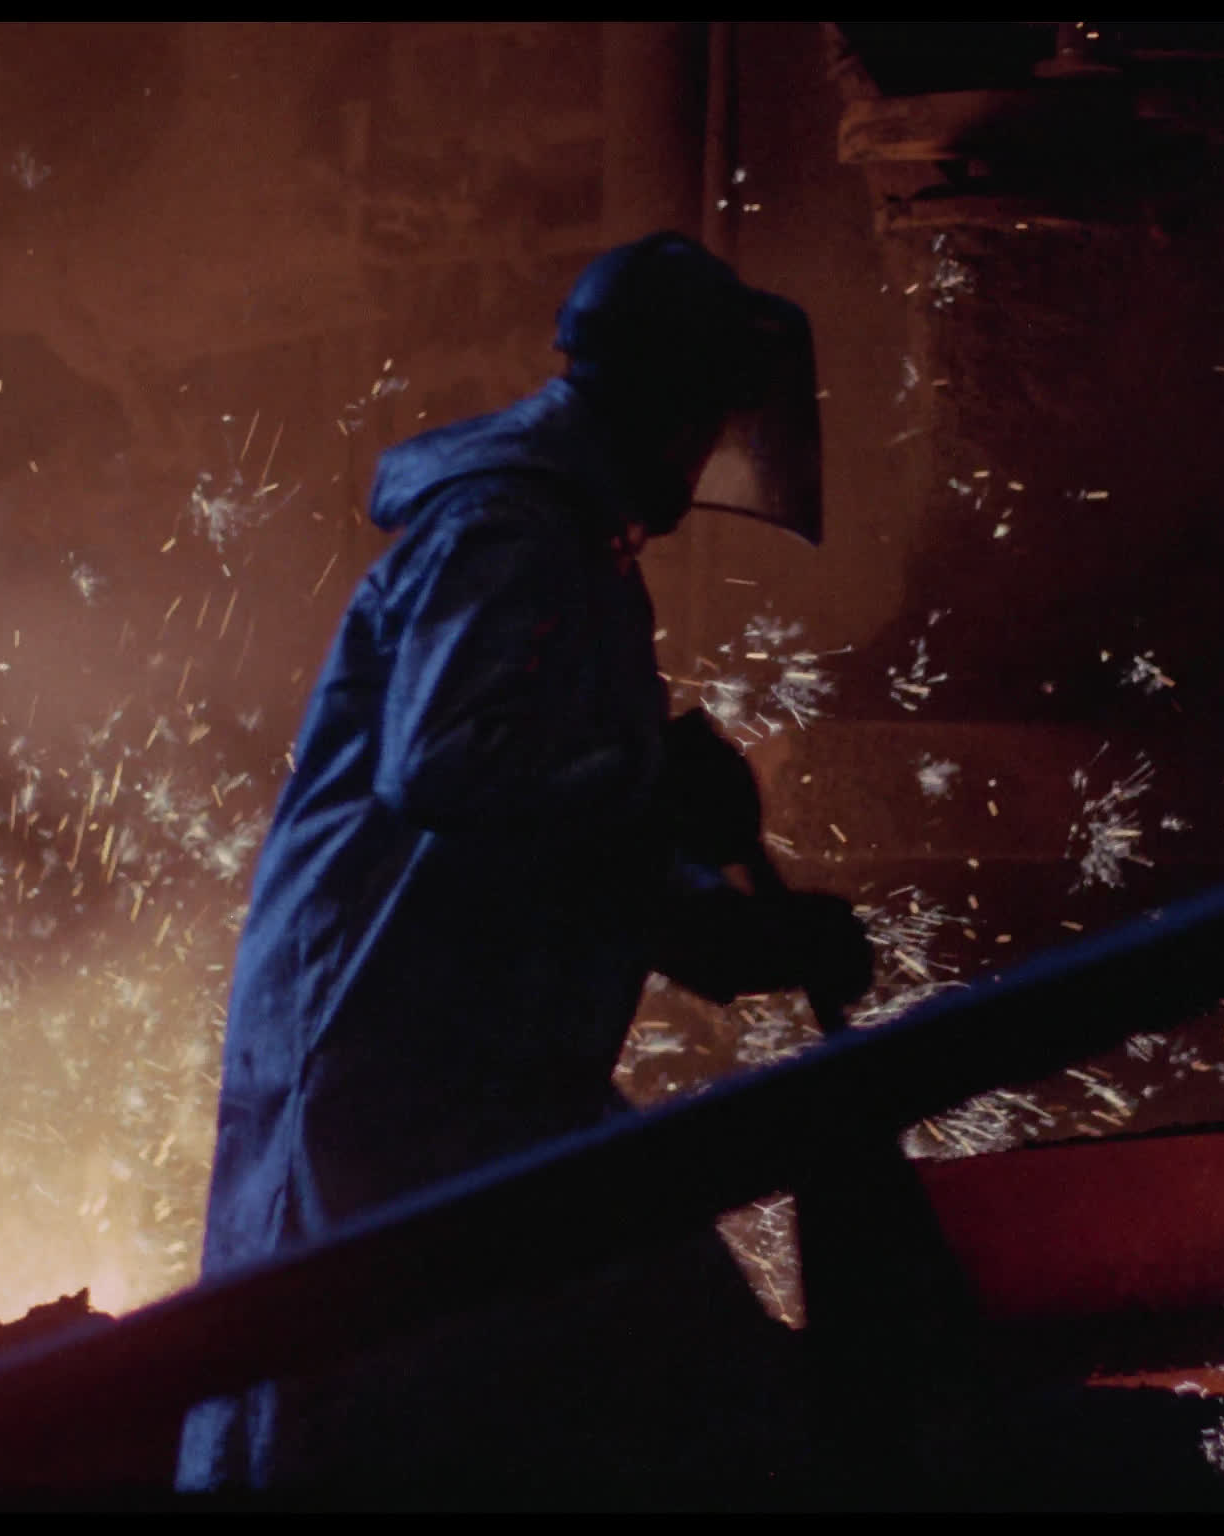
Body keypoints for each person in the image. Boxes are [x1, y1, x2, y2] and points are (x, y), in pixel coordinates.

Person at [176, 233, 874, 1496]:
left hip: (491, 1079)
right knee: (330, 1421)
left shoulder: (574, 545)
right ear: (664, 400)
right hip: (385, 1065)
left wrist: (726, 937)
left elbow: (559, 828)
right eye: (703, 413)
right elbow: (448, 770)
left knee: (641, 1388)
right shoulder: (508, 535)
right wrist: (661, 788)